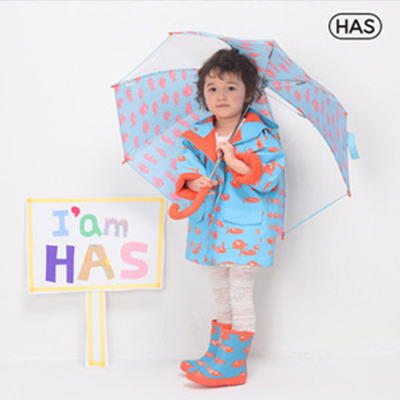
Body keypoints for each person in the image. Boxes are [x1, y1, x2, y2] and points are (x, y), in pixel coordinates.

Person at [174, 48, 286, 387]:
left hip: (247, 229)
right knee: (221, 293)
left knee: (240, 293)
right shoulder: (196, 136)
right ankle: (218, 354)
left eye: (231, 87)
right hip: (211, 229)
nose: (221, 95)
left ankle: (234, 364)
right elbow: (184, 169)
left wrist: (237, 163)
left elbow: (271, 176)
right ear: (202, 95)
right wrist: (195, 181)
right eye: (212, 88)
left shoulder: (261, 135)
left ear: (248, 94)